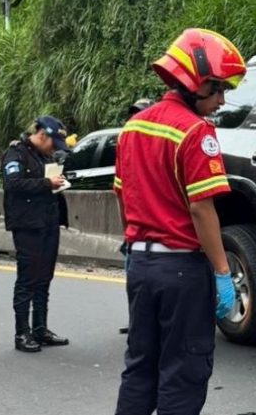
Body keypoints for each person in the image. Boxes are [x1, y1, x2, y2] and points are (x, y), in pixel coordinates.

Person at [114, 28, 244, 415]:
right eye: (218, 88)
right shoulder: (195, 131)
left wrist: (135, 243)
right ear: (195, 81)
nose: (222, 99)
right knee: (183, 372)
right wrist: (222, 272)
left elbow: (122, 194)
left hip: (141, 266)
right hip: (182, 271)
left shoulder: (133, 127)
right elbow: (202, 209)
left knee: (140, 368)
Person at [1, 115, 73, 352]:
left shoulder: (44, 156)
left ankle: (40, 329)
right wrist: (46, 183)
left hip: (49, 223)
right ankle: (22, 333)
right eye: (53, 143)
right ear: (42, 135)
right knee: (27, 279)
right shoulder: (16, 153)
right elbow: (13, 184)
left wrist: (58, 182)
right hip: (27, 226)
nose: (54, 149)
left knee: (44, 278)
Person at [118, 97, 153, 336]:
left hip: (156, 233)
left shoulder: (158, 146)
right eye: (133, 113)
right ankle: (136, 323)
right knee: (133, 281)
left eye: (139, 113)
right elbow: (121, 193)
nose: (135, 118)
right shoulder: (126, 142)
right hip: (135, 230)